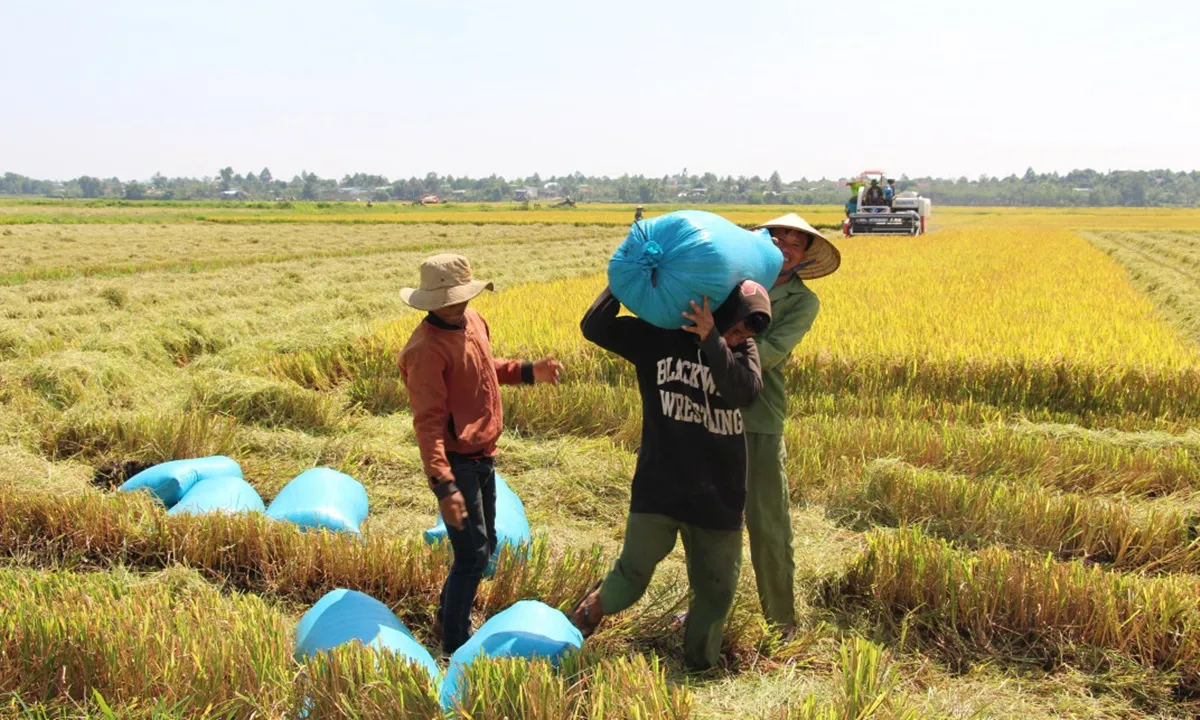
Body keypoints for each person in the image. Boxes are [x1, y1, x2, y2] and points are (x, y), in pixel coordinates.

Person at [568, 280, 772, 671]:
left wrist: (716, 338)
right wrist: (626, 281)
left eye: (743, 333)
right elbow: (594, 327)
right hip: (660, 484)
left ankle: (699, 667)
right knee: (631, 577)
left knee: (716, 592)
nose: (737, 338)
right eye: (735, 327)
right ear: (721, 311)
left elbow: (742, 392)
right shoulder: (659, 338)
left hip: (719, 493)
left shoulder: (742, 354)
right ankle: (587, 615)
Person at [398, 253, 564, 655]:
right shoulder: (425, 351)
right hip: (457, 463)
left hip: (483, 454)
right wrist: (445, 486)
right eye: (449, 300)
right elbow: (429, 424)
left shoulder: (472, 322)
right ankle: (454, 641)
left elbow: (488, 367)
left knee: (484, 546)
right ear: (431, 302)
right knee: (471, 556)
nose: (458, 305)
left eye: (462, 297)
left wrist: (528, 371)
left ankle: (446, 614)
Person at [741, 213, 841, 633]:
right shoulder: (734, 283)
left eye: (794, 243)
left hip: (758, 416)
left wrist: (713, 340)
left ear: (802, 259)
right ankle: (706, 610)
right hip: (703, 411)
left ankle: (779, 622)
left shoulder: (802, 302)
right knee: (706, 523)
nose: (782, 244)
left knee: (768, 524)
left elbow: (767, 354)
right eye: (775, 236)